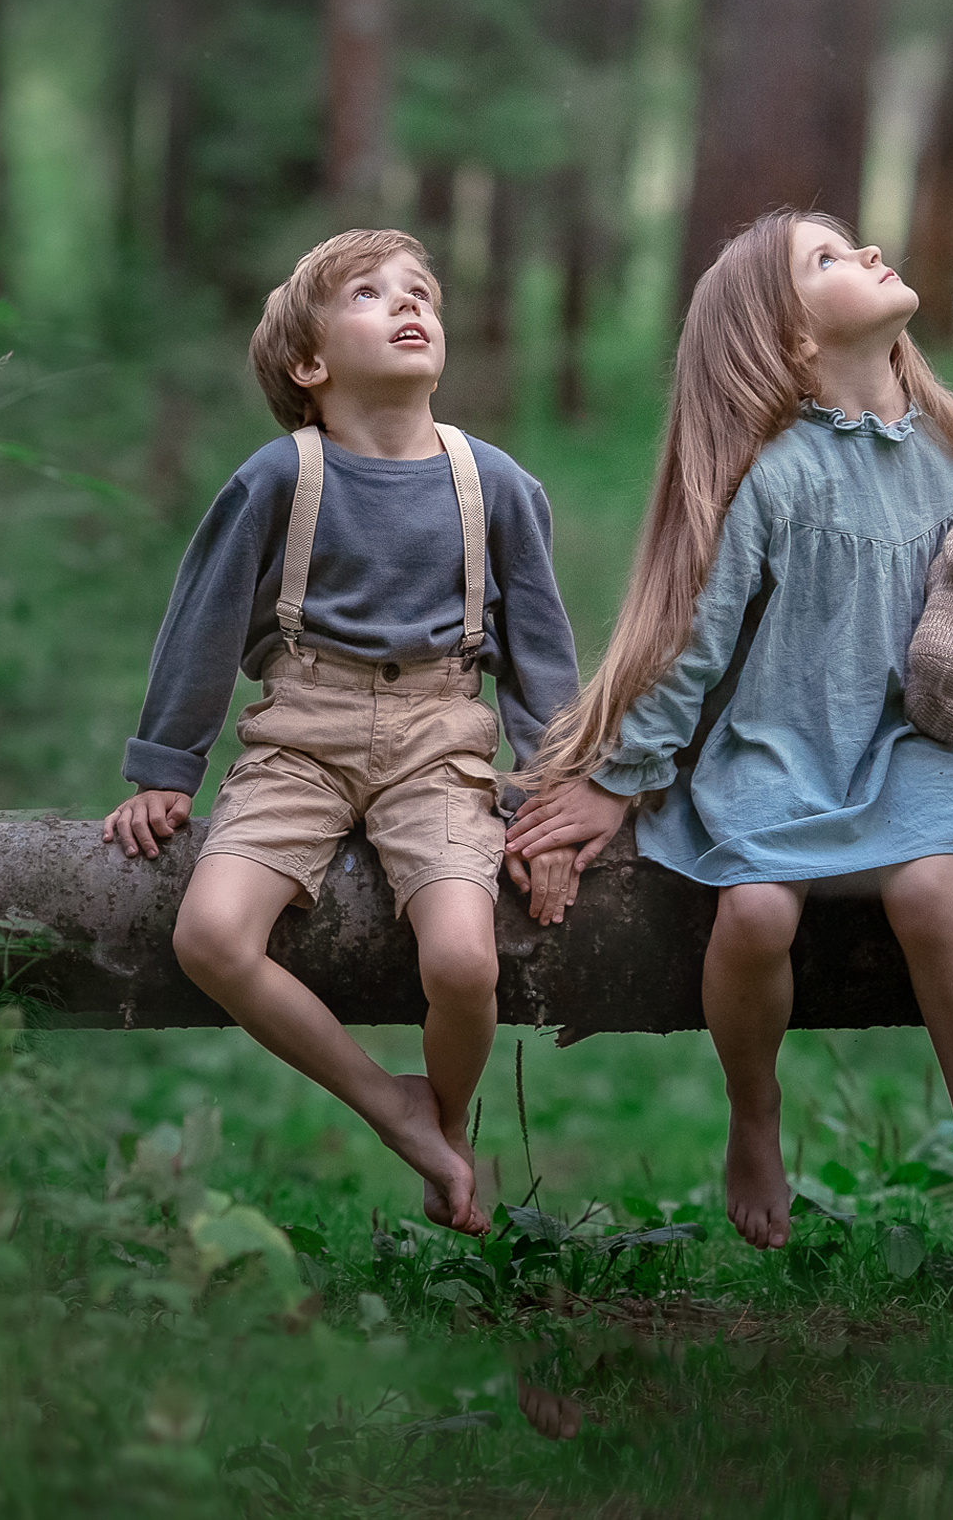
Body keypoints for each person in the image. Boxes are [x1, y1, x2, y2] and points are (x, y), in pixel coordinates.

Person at [504, 209, 953, 1296]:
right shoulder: (775, 476)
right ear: (790, 343)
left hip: (909, 745)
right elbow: (699, 644)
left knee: (927, 891)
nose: (862, 252)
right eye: (825, 258)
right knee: (756, 911)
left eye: (848, 241)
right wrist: (621, 780)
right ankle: (753, 1111)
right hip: (781, 750)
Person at [102, 229, 581, 1236]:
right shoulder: (278, 478)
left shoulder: (491, 482)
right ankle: (386, 1101)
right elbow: (203, 617)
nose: (409, 305)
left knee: (462, 962)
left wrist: (550, 789)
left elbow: (540, 647)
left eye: (420, 292)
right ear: (308, 365)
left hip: (439, 742)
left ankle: (442, 1125)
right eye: (368, 293)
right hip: (299, 740)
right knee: (210, 934)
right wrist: (165, 764)